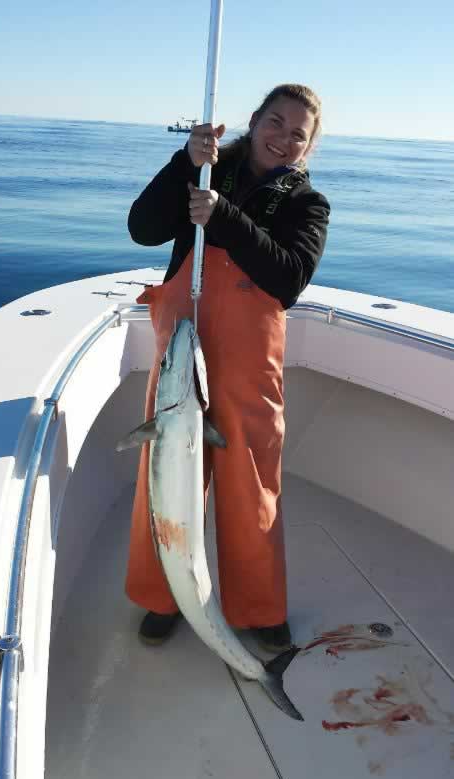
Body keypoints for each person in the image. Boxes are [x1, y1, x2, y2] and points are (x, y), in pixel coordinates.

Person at [125, 83, 330, 651]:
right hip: (184, 343)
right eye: (275, 122)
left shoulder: (307, 204)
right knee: (167, 471)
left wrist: (223, 217)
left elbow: (288, 278)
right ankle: (165, 594)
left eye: (298, 134)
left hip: (248, 361)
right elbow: (142, 228)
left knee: (251, 480)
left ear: (308, 147)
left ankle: (258, 608)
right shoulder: (203, 171)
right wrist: (183, 164)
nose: (283, 138)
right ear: (255, 119)